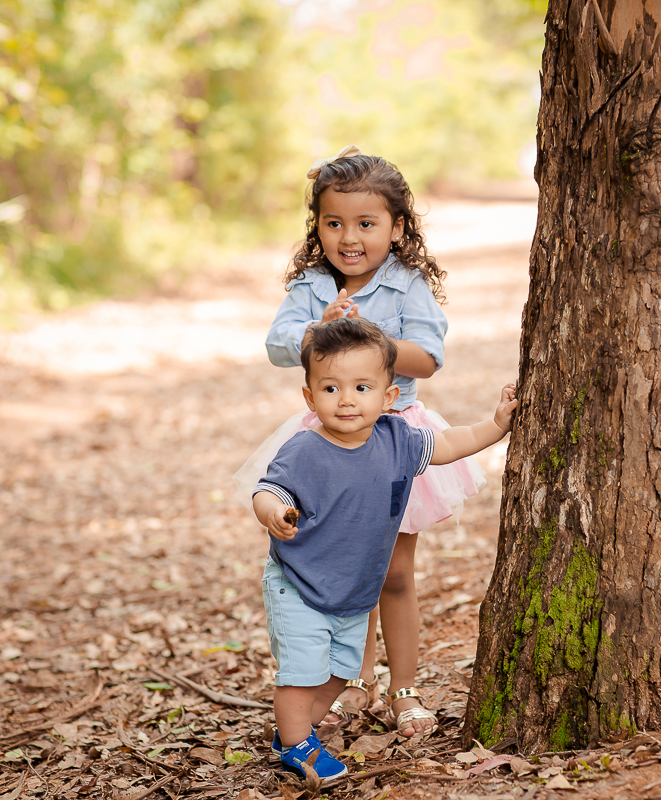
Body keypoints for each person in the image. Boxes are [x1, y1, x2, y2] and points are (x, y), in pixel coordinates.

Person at [233, 145, 483, 738]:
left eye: (367, 224)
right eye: (334, 223)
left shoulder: (406, 285)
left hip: (392, 438)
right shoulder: (312, 284)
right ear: (317, 226)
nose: (350, 237)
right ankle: (355, 681)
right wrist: (320, 329)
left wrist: (368, 341)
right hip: (329, 441)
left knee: (393, 571)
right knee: (344, 567)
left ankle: (404, 687)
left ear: (397, 228)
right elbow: (278, 343)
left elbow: (428, 358)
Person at [253, 317, 517, 782]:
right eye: (331, 389)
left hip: (355, 589)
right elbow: (270, 489)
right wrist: (274, 511)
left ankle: (294, 729)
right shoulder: (305, 449)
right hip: (299, 583)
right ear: (310, 398)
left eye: (361, 387)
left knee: (336, 674)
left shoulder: (396, 440)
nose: (347, 399)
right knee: (302, 673)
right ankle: (297, 747)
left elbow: (450, 443)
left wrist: (495, 427)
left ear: (388, 397)